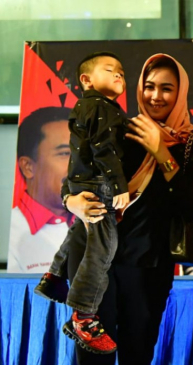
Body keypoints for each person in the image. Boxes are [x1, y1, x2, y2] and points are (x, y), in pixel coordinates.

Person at [56, 53, 193, 364]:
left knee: (137, 353)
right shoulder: (120, 129)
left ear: (180, 93)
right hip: (99, 260)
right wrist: (71, 202)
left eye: (167, 89)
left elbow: (192, 207)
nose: (155, 96)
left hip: (148, 267)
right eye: (150, 86)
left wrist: (160, 150)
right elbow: (79, 172)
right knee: (91, 356)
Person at [32, 51, 131, 354]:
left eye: (122, 72)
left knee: (78, 233)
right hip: (99, 188)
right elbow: (104, 150)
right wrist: (118, 186)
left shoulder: (86, 108)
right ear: (86, 80)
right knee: (102, 251)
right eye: (110, 69)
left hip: (82, 183)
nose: (118, 75)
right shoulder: (102, 108)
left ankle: (54, 277)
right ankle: (84, 316)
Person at [8, 107, 72, 273]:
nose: (78, 165)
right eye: (65, 153)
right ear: (28, 167)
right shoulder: (11, 234)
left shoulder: (98, 225)